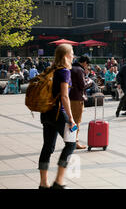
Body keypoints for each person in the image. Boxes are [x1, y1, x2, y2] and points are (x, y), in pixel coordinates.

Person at [38, 44, 76, 189]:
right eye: (72, 53)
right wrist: (71, 118)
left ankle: (43, 183)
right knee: (71, 143)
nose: (73, 56)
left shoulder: (50, 69)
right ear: (66, 56)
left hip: (46, 112)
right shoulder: (64, 72)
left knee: (47, 146)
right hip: (59, 113)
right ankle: (59, 181)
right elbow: (65, 97)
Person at [69, 55, 90, 150]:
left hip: (69, 97)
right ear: (85, 62)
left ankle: (70, 140)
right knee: (76, 121)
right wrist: (89, 81)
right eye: (87, 64)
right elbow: (83, 85)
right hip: (77, 99)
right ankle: (75, 141)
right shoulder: (79, 70)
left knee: (71, 120)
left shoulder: (71, 68)